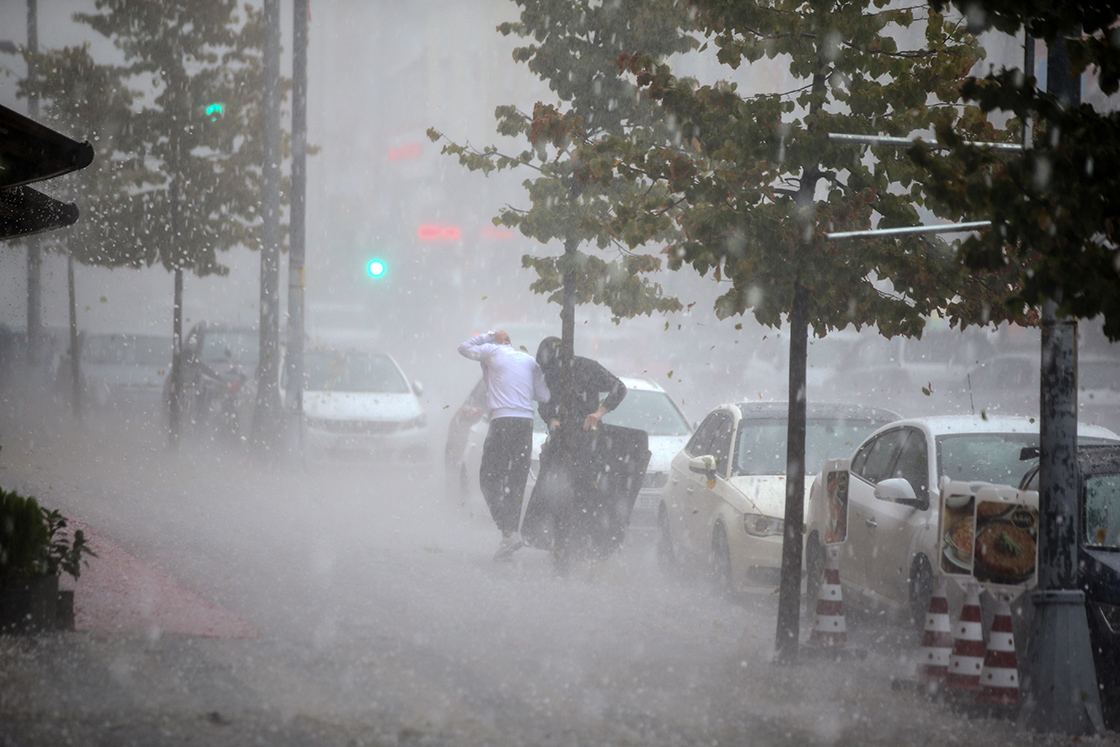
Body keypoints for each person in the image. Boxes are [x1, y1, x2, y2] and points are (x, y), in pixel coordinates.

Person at [530, 336, 631, 568]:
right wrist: (552, 419)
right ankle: (560, 544)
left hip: (588, 442)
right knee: (556, 492)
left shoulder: (587, 367)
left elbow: (619, 388)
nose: (550, 371)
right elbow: (544, 403)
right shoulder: (548, 374)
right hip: (560, 441)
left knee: (585, 493)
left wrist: (599, 413)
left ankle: (583, 544)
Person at [458, 329, 550, 560]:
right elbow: (544, 396)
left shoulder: (493, 350)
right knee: (516, 480)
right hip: (525, 424)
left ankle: (508, 533)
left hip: (502, 422)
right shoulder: (529, 361)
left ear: (499, 342)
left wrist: (488, 336)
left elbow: (464, 348)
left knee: (488, 477)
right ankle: (510, 534)